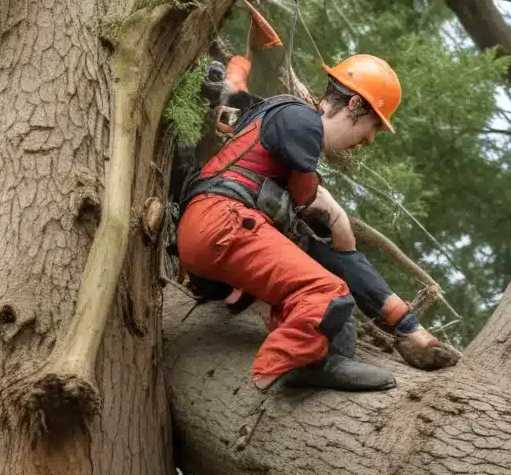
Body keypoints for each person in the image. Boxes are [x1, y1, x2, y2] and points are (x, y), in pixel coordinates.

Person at [177, 53, 458, 392]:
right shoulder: (300, 119)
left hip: (216, 233)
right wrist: (335, 215)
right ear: (355, 104)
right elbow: (308, 195)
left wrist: (407, 326)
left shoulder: (280, 142)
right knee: (325, 292)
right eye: (373, 127)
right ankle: (294, 364)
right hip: (222, 223)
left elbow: (335, 256)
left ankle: (335, 357)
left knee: (335, 306)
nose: (369, 140)